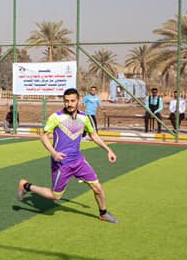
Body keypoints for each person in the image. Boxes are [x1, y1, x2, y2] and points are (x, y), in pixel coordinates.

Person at [17, 87, 120, 224]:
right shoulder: (56, 117)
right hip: (61, 163)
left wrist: (108, 150)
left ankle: (103, 213)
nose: (69, 104)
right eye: (66, 101)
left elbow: (93, 135)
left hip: (79, 161)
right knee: (55, 196)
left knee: (98, 188)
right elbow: (43, 136)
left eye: (72, 101)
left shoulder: (85, 117)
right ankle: (26, 186)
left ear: (78, 101)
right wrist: (54, 153)